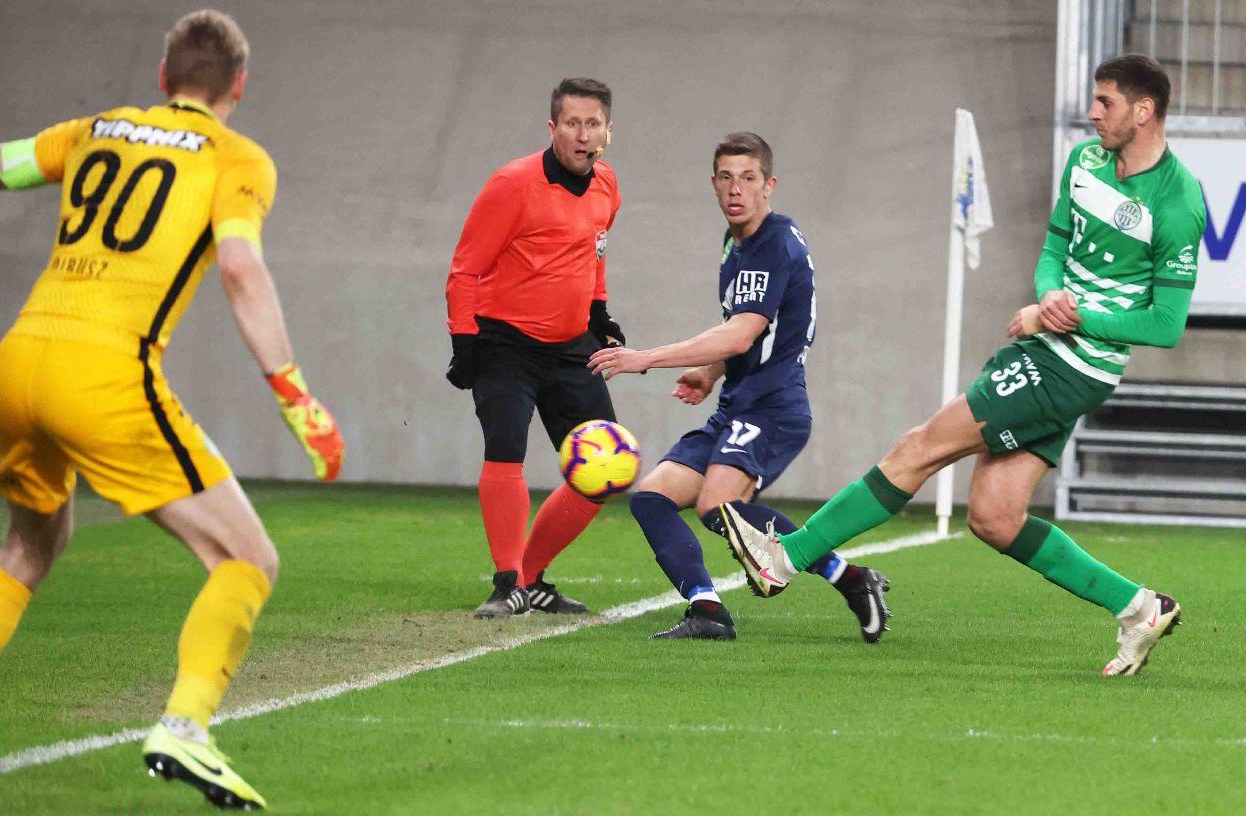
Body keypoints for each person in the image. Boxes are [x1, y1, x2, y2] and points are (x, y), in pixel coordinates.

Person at [0, 10, 344, 808]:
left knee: (28, 549)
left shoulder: (92, 130)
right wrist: (293, 391)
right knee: (247, 558)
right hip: (103, 373)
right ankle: (186, 728)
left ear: (163, 76)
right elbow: (238, 266)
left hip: (17, 362)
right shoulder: (235, 157)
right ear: (238, 85)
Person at [720, 54, 1201, 676]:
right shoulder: (1085, 161)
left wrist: (1067, 316)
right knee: (995, 518)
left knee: (918, 448)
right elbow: (1055, 247)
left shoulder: (1178, 199)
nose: (1091, 112)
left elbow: (1165, 325)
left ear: (1144, 111)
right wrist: (1048, 295)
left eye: (1105, 102)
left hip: (1073, 366)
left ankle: (783, 560)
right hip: (1048, 351)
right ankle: (1139, 607)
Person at [588, 133, 891, 642]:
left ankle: (851, 577)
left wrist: (646, 358)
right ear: (713, 184)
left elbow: (741, 333)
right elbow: (745, 331)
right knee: (652, 498)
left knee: (718, 506)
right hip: (738, 406)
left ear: (769, 186)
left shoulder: (773, 242)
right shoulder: (736, 244)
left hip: (773, 407)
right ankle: (707, 609)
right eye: (726, 178)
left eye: (749, 178)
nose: (736, 189)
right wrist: (710, 373)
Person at [445, 78, 627, 619]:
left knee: (607, 467)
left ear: (608, 132)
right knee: (506, 449)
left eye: (592, 124)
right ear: (552, 128)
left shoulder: (607, 185)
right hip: (505, 344)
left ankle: (531, 577)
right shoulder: (512, 184)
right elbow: (465, 269)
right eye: (572, 123)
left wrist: (600, 315)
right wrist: (464, 341)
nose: (582, 134)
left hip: (571, 347)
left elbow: (593, 254)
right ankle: (506, 585)